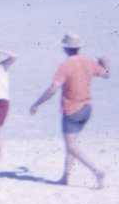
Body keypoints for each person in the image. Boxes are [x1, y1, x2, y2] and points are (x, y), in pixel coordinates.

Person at [30, 31, 110, 187]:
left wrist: (36, 104)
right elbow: (107, 75)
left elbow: (53, 90)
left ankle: (97, 171)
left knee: (71, 146)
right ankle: (65, 177)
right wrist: (104, 63)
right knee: (71, 144)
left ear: (65, 48)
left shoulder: (65, 65)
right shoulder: (88, 61)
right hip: (87, 109)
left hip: (72, 110)